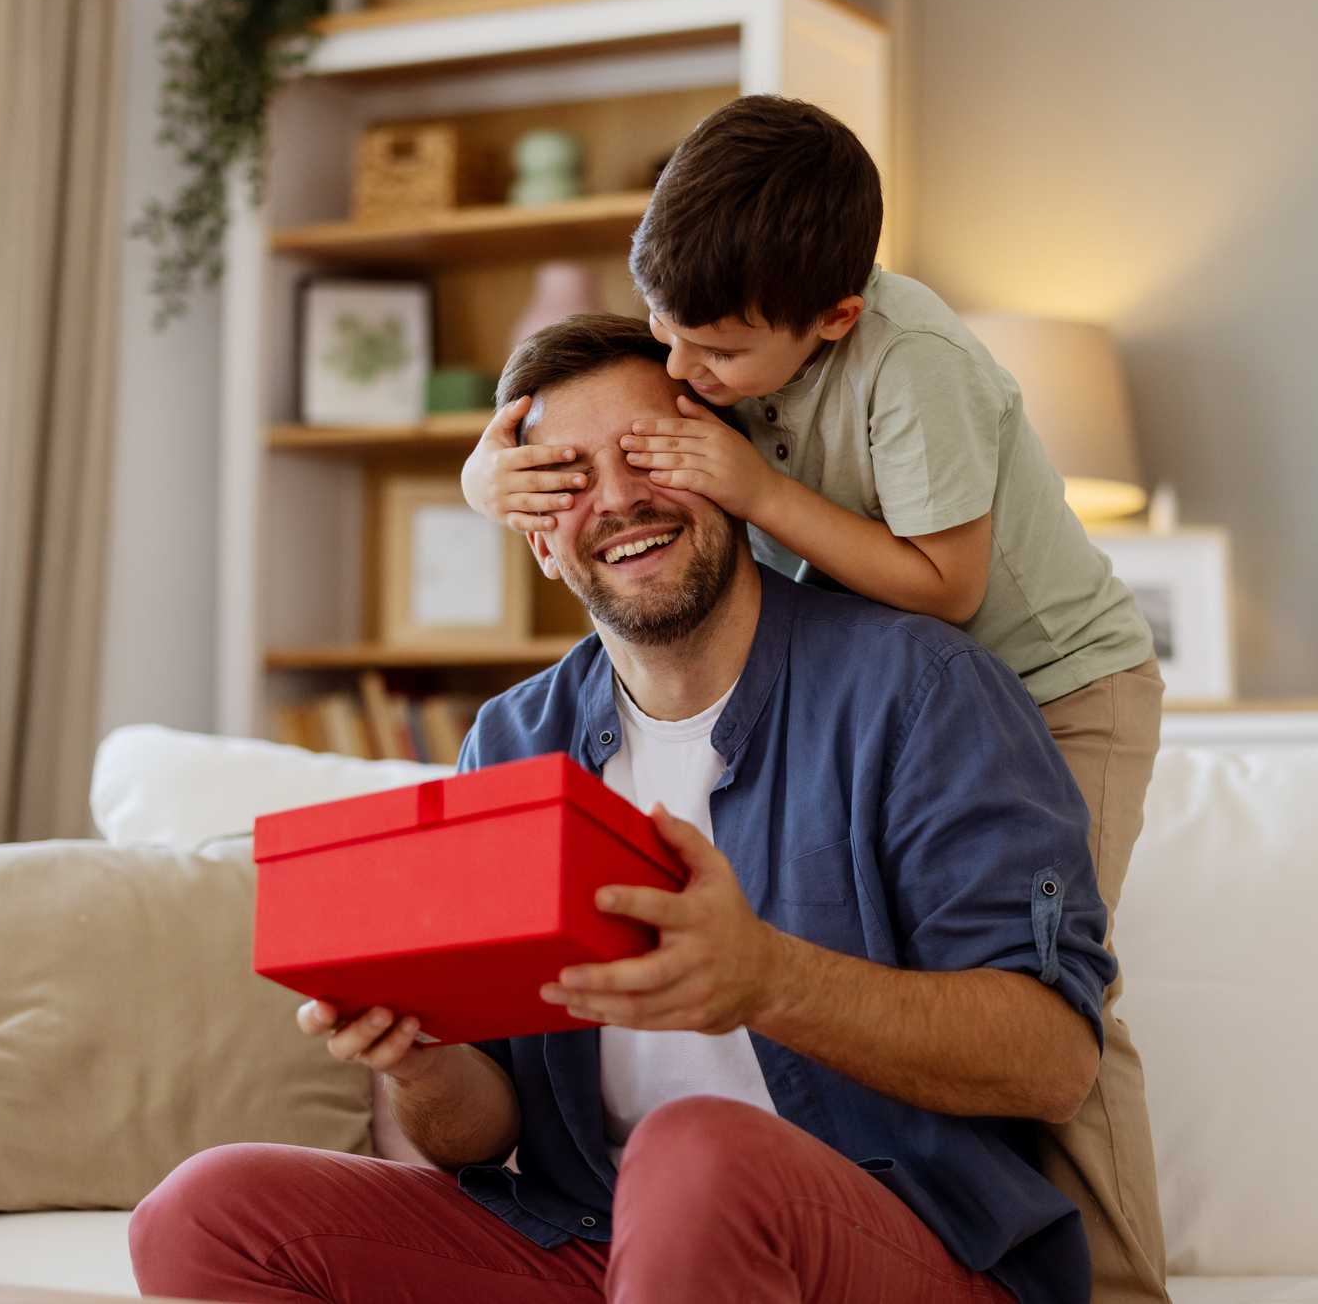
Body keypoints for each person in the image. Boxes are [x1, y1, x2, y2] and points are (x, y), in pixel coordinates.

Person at [130, 317, 1116, 1304]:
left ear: (728, 469)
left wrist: (766, 978)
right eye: (565, 479)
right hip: (596, 1240)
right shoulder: (512, 741)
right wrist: (423, 1064)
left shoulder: (920, 689)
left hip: (893, 1246)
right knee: (207, 1211)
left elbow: (1051, 1061)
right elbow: (483, 1128)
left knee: (692, 1153)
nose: (617, 499)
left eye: (650, 453)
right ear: (538, 539)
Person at [462, 96, 1170, 1304]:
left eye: (708, 370)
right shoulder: (727, 337)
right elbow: (606, 441)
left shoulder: (915, 369)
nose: (687, 383)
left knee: (1065, 983)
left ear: (834, 316)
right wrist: (489, 472)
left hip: (1056, 674)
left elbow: (944, 592)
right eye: (666, 342)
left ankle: (1110, 1283)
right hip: (912, 651)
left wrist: (750, 487)